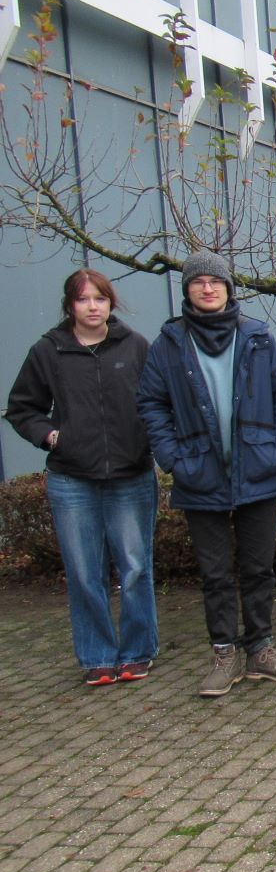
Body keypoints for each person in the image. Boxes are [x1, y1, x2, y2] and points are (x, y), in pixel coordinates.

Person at [137, 250, 276, 696]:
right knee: (214, 573)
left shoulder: (256, 337)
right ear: (188, 290)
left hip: (257, 469)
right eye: (199, 282)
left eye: (216, 281)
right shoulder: (170, 343)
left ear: (229, 289)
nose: (208, 288)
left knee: (258, 568)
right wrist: (173, 458)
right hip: (200, 474)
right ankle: (224, 655)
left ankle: (261, 652)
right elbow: (151, 403)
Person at [7, 269, 158, 686]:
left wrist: (149, 443)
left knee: (134, 568)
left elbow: (158, 402)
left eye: (100, 299)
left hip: (130, 475)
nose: (93, 307)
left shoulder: (135, 345)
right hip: (72, 479)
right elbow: (22, 408)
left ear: (111, 303)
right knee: (84, 572)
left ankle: (138, 651)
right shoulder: (48, 351)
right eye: (83, 299)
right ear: (69, 305)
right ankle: (97, 657)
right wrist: (52, 436)